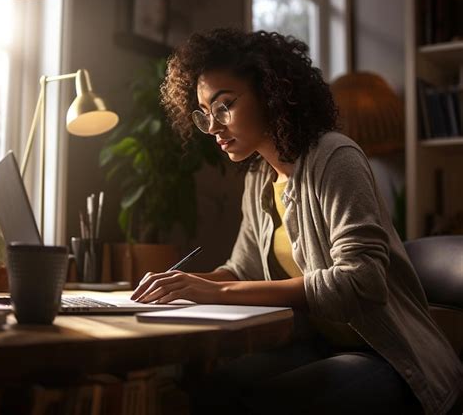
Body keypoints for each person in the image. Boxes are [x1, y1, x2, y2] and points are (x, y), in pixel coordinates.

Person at [131, 28, 462, 414]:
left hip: (390, 355)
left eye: (225, 106)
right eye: (205, 115)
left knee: (274, 402)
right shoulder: (258, 178)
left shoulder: (334, 157)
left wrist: (216, 293)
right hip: (322, 345)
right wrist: (182, 284)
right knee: (213, 389)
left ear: (269, 92)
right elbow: (242, 270)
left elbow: (360, 281)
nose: (215, 127)